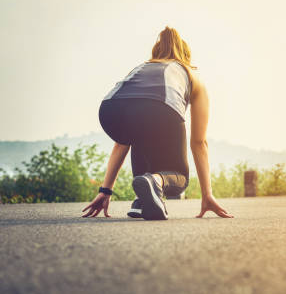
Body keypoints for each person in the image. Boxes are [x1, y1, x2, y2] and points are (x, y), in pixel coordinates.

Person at [82, 26, 233, 220]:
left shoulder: (141, 69)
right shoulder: (191, 76)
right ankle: (155, 183)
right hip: (159, 108)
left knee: (139, 133)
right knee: (178, 178)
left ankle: (143, 200)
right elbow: (198, 143)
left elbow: (122, 141)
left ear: (156, 52)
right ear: (187, 56)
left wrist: (106, 190)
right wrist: (207, 195)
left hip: (111, 109)